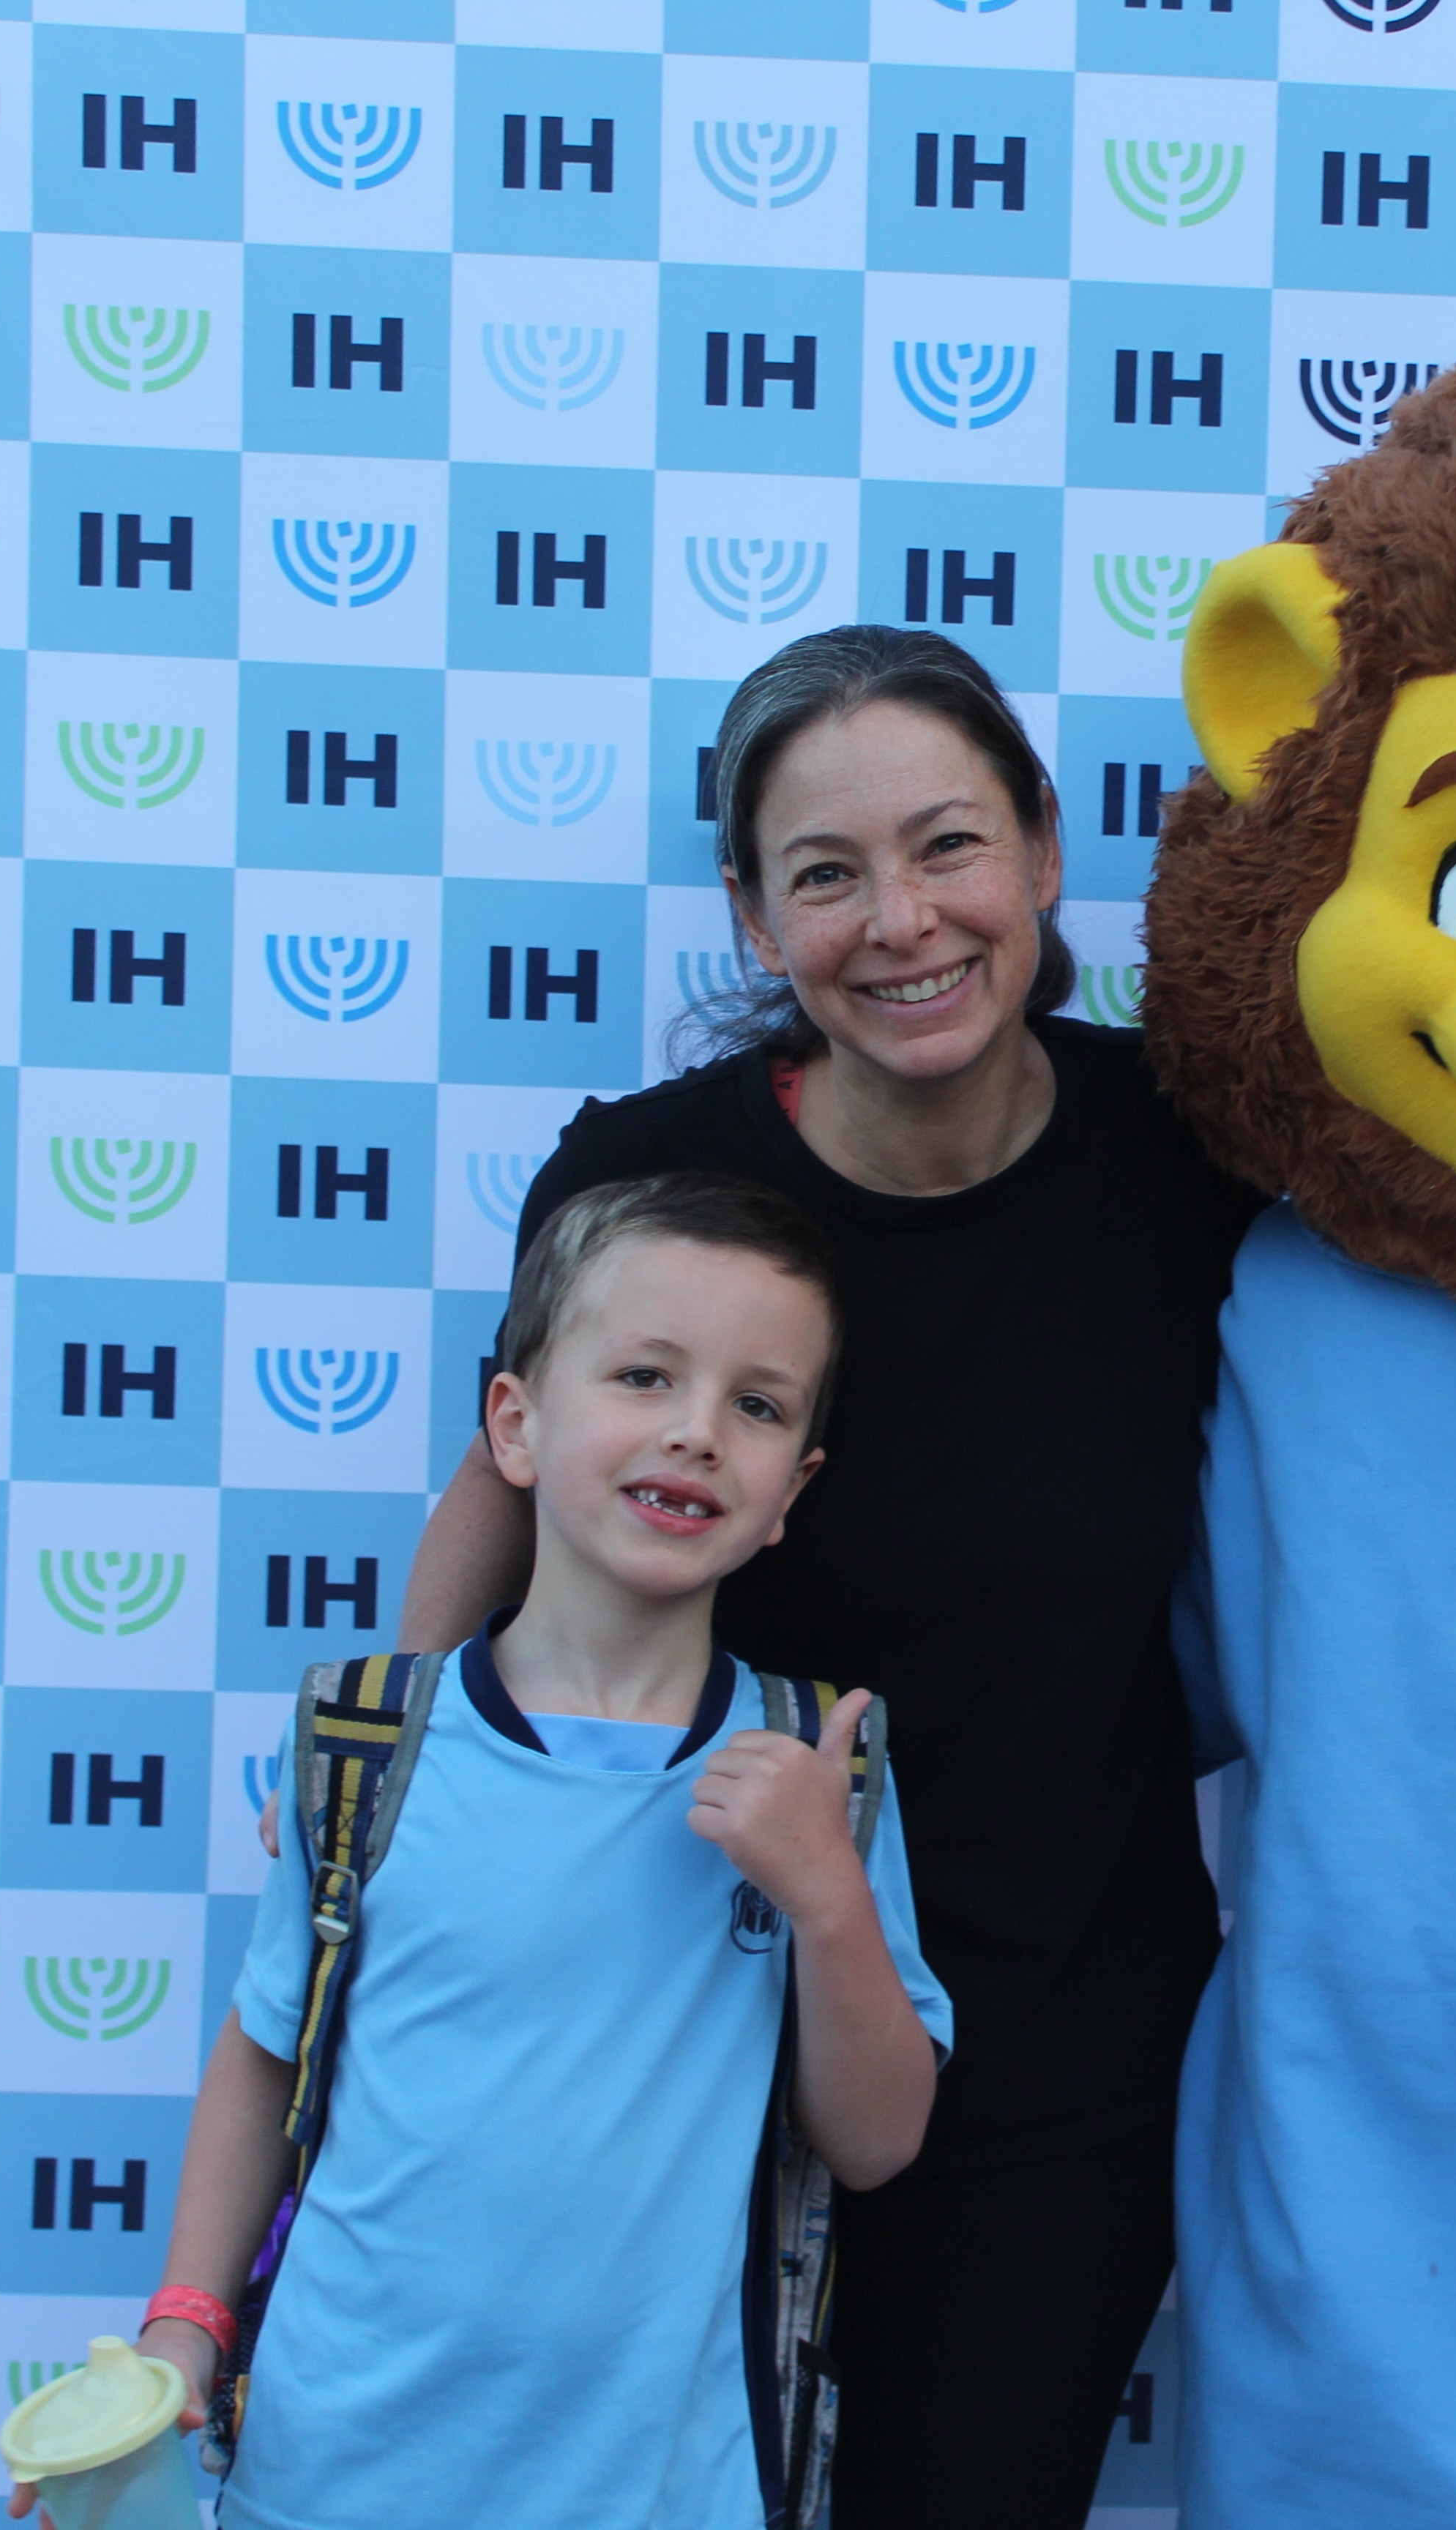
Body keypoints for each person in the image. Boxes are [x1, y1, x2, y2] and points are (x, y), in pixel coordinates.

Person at [384, 627, 1258, 2527]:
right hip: (666, 2030)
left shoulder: (1193, 1158)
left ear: (1042, 850)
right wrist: (380, 1806)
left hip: (1052, 2062)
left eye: (947, 845)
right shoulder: (646, 1179)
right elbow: (506, 1493)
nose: (901, 921)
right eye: (826, 873)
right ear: (752, 915)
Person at [37, 1173, 949, 2530]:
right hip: (329, 2479)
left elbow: (876, 2145)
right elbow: (267, 2048)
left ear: (789, 1494)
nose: (696, 1432)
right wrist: (187, 2318)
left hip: (665, 2492)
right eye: (643, 1376)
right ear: (515, 1425)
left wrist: (826, 1899)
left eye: (757, 1406)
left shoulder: (821, 1770)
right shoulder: (361, 1740)